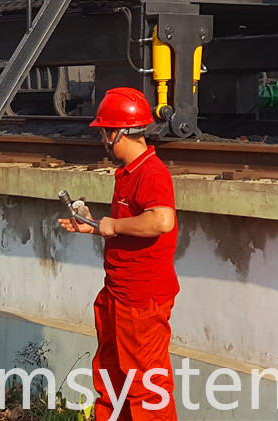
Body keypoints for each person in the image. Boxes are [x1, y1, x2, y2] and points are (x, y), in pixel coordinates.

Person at [60, 87, 178, 420]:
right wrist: (94, 226)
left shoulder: (151, 173)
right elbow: (126, 225)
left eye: (104, 132)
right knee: (112, 377)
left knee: (144, 386)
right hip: (119, 294)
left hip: (141, 300)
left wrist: (112, 226)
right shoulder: (130, 173)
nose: (102, 140)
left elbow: (162, 220)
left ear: (119, 133)